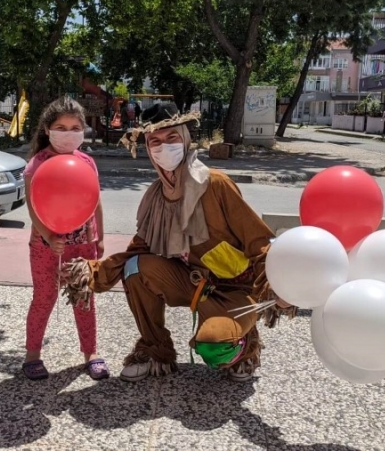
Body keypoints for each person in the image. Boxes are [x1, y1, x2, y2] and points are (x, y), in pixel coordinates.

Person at [61, 103, 294, 383]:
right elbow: (138, 249)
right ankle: (156, 351)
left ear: (185, 139)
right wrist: (91, 273)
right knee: (136, 268)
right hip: (191, 283)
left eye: (171, 138)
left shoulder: (215, 184)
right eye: (155, 141)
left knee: (213, 347)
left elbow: (257, 240)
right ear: (148, 149)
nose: (164, 147)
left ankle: (245, 346)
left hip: (234, 289)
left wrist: (278, 286)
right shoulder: (156, 197)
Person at [22, 96, 109, 381]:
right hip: (45, 246)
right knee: (43, 299)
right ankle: (32, 355)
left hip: (84, 244)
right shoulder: (37, 163)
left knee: (84, 299)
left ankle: (91, 353)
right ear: (48, 129)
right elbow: (33, 207)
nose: (68, 133)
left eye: (75, 127)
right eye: (61, 126)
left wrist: (101, 237)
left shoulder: (87, 161)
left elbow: (94, 200)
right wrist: (48, 236)